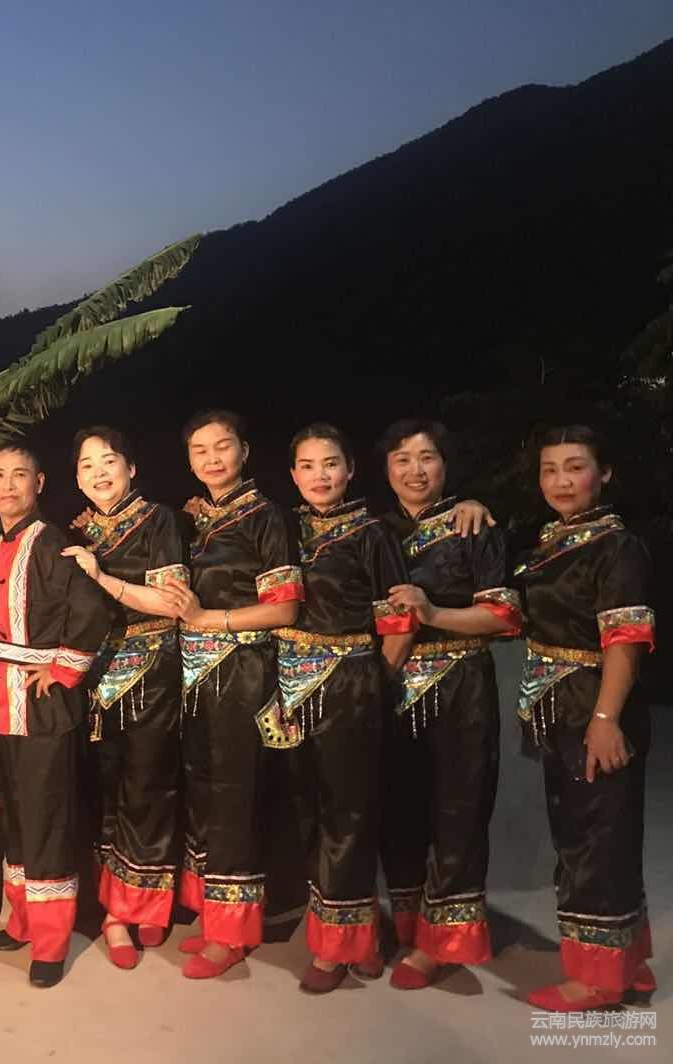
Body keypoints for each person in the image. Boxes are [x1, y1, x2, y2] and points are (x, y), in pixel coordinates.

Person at [512, 425, 656, 1011]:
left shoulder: (616, 547)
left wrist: (605, 717)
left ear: (605, 473)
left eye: (575, 467)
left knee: (592, 841)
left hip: (593, 705)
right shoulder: (556, 541)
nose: (561, 481)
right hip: (563, 706)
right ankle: (627, 964)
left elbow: (626, 638)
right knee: (598, 834)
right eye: (550, 469)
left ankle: (596, 980)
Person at [375, 419, 520, 989]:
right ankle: (409, 923)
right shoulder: (376, 530)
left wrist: (433, 613)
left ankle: (444, 941)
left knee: (457, 810)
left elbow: (503, 617)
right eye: (402, 459)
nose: (415, 471)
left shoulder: (472, 526)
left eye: (427, 458)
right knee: (400, 807)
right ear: (385, 469)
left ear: (446, 465)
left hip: (460, 687)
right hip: (390, 686)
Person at [280, 423, 417, 993]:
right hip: (290, 688)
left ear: (351, 470)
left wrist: (372, 684)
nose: (320, 476)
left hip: (351, 686)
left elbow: (399, 622)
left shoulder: (372, 533)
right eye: (308, 466)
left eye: (331, 463)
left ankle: (338, 948)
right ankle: (354, 933)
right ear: (293, 474)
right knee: (308, 811)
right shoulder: (284, 528)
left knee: (349, 815)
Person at [173, 411, 302, 980]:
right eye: (200, 450)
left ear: (244, 451)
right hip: (199, 678)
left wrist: (210, 619)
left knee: (235, 798)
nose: (212, 459)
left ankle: (232, 934)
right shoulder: (197, 519)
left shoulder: (266, 516)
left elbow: (284, 607)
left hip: (244, 671)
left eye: (222, 446)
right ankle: (214, 915)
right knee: (204, 795)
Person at [0, 442, 112, 988]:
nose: (8, 485)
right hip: (0, 703)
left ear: (39, 484)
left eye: (20, 475)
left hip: (42, 706)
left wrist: (61, 669)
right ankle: (23, 921)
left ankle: (52, 942)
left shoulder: (55, 542)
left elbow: (92, 609)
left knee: (47, 819)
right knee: (15, 816)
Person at [62, 427, 189, 969]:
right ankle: (114, 912)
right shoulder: (78, 529)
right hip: (94, 673)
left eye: (109, 460)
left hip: (153, 668)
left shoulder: (160, 520)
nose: (99, 473)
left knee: (148, 785)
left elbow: (171, 603)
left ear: (131, 468)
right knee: (103, 790)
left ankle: (146, 903)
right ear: (76, 477)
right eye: (87, 465)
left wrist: (103, 578)